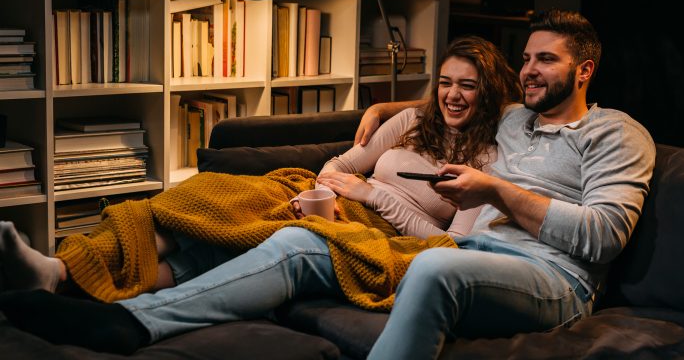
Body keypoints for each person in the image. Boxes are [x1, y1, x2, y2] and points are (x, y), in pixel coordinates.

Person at [0, 35, 525, 354]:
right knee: (201, 201)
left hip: (376, 232)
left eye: (468, 85)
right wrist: (326, 190)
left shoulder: (489, 165)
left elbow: (445, 245)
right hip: (324, 201)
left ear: (490, 91)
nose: (452, 95)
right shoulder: (409, 120)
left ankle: (68, 279)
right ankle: (63, 272)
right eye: (445, 81)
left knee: (213, 235)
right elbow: (340, 163)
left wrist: (371, 195)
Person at [356, 9, 656, 359]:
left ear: (584, 70)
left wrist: (495, 191)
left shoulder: (614, 132)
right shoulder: (513, 117)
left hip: (554, 278)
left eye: (545, 59)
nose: (529, 70)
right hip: (472, 255)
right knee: (310, 247)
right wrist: (381, 109)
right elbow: (455, 98)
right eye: (527, 59)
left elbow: (603, 237)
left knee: (432, 266)